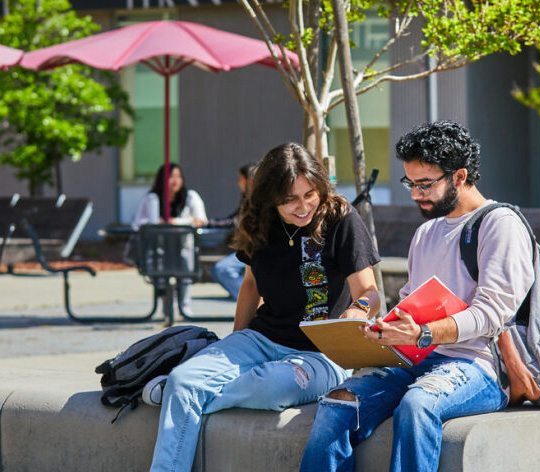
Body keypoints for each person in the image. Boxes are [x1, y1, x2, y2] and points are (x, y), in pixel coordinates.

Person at [300, 120, 535, 472]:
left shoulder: (500, 224)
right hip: (412, 359)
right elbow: (412, 300)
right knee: (339, 402)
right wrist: (383, 330)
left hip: (476, 365)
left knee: (418, 404)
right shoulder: (426, 232)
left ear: (459, 176)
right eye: (410, 183)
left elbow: (492, 313)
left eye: (425, 184)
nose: (415, 194)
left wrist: (424, 333)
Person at [146, 142, 381, 472]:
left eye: (309, 194)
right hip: (262, 338)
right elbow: (251, 285)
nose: (303, 207)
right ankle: (180, 396)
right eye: (290, 200)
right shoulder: (258, 222)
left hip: (322, 354)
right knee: (184, 380)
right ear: (271, 197)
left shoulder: (341, 218)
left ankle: (185, 398)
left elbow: (370, 291)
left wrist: (358, 309)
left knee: (268, 388)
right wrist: (232, 347)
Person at [131, 162, 207, 315]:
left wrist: (177, 222)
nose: (175, 181)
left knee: (185, 274)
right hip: (160, 246)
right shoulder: (152, 199)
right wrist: (154, 223)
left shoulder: (190, 197)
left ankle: (184, 307)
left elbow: (201, 220)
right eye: (171, 177)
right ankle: (166, 306)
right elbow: (137, 223)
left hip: (184, 245)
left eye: (178, 176)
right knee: (160, 275)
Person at [193, 163, 254, 300]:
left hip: (254, 249)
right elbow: (233, 219)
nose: (238, 183)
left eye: (240, 179)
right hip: (245, 248)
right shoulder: (246, 200)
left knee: (222, 269)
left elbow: (235, 221)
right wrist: (207, 223)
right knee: (218, 269)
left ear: (249, 180)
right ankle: (243, 296)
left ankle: (248, 299)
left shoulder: (256, 201)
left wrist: (207, 223)